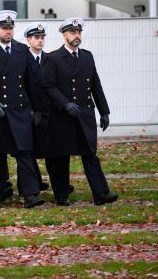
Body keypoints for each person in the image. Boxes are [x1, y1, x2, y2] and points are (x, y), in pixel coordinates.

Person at [42, 18, 118, 206]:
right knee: (61, 156)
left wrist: (104, 111)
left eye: (79, 32)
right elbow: (48, 86)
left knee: (90, 154)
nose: (77, 36)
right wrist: (65, 104)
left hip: (84, 114)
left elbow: (95, 85)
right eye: (73, 33)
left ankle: (101, 194)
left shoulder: (87, 56)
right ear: (64, 35)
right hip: (63, 116)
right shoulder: (53, 58)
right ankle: (61, 196)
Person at [0, 10, 44, 208]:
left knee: (24, 153)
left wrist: (36, 108)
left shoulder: (22, 50)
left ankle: (30, 194)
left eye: (10, 28)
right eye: (4, 28)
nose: (8, 32)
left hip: (19, 110)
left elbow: (31, 81)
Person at [23, 23, 51, 192]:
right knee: (27, 151)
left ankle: (57, 183)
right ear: (28, 40)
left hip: (47, 111)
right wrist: (29, 110)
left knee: (50, 150)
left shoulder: (50, 59)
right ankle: (30, 185)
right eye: (36, 38)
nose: (40, 41)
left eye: (42, 38)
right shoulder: (22, 59)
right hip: (29, 111)